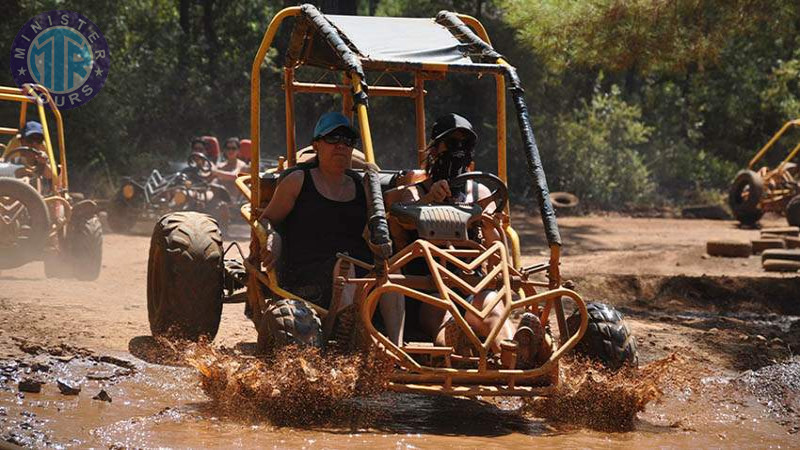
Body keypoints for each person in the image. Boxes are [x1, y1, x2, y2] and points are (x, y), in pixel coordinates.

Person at [396, 113, 547, 368]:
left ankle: (513, 353)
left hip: (473, 286)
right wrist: (429, 201)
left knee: (493, 309)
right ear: (434, 150)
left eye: (464, 145)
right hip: (427, 289)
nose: (458, 151)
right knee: (447, 317)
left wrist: (488, 223)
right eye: (451, 143)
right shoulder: (414, 191)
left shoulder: (480, 192)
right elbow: (402, 220)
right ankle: (457, 345)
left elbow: (497, 248)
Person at [257, 111, 405, 345]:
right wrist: (273, 238)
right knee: (346, 267)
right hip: (306, 271)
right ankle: (348, 337)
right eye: (333, 139)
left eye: (347, 141)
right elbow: (267, 219)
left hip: (352, 266)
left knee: (390, 270)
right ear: (316, 145)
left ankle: (396, 348)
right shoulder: (298, 180)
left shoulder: (361, 185)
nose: (341, 146)